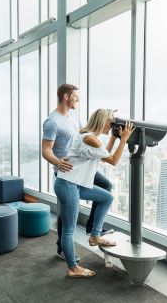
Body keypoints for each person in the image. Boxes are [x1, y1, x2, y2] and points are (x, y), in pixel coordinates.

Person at [55, 109, 134, 277]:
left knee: (107, 197)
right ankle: (72, 268)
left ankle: (94, 236)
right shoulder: (90, 139)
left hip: (76, 184)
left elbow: (104, 155)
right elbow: (113, 160)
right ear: (102, 121)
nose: (111, 126)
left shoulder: (89, 136)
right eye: (110, 123)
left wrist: (114, 136)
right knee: (69, 230)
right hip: (67, 185)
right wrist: (124, 140)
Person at [42, 84, 114, 262]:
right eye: (76, 97)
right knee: (65, 212)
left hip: (79, 167)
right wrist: (58, 162)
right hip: (66, 171)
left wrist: (109, 118)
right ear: (66, 97)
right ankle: (62, 247)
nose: (78, 101)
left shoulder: (74, 118)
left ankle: (93, 229)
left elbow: (88, 134)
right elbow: (46, 150)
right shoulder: (52, 121)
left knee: (106, 185)